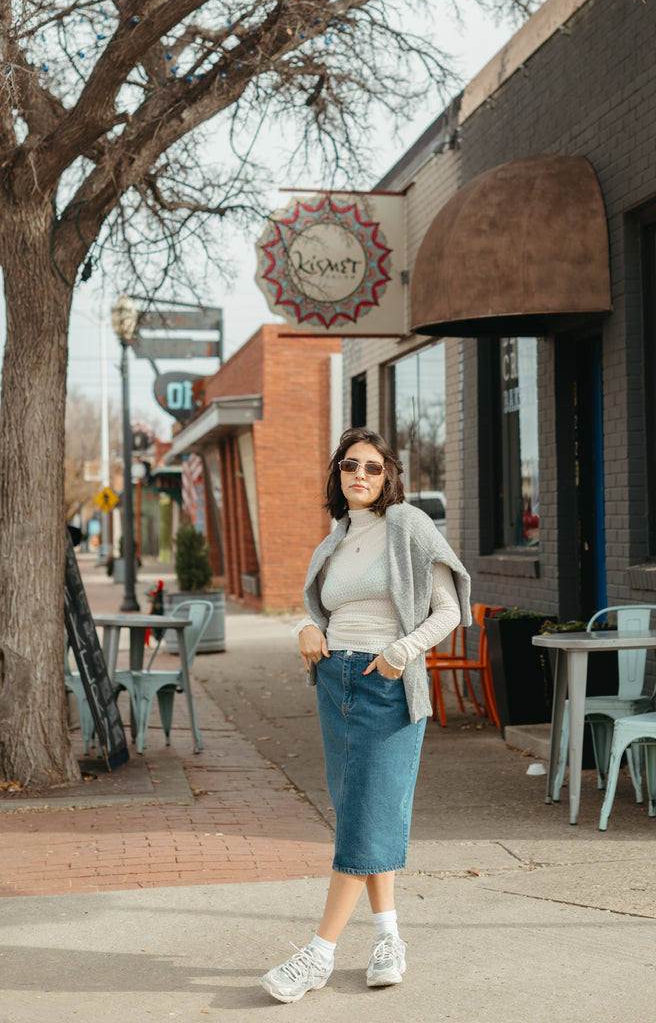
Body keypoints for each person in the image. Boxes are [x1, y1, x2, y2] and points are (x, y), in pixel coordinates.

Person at [260, 427, 471, 1004]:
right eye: (350, 466)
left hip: (388, 686)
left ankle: (318, 954)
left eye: (373, 468)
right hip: (335, 683)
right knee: (360, 812)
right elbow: (318, 613)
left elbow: (449, 610)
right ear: (337, 475)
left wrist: (400, 652)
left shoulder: (408, 526)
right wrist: (304, 628)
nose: (360, 475)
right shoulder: (333, 541)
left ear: (389, 477)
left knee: (364, 818)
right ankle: (388, 939)